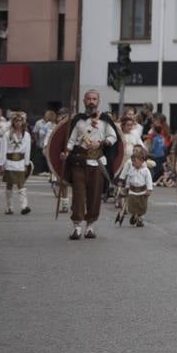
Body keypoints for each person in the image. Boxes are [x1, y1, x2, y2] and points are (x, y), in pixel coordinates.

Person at [59, 90, 120, 241]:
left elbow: (113, 137)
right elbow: (71, 141)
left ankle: (90, 226)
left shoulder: (105, 120)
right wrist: (66, 152)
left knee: (94, 195)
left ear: (98, 101)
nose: (91, 101)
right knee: (79, 194)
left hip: (97, 163)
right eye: (88, 99)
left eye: (94, 99)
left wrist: (101, 142)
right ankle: (77, 227)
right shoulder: (78, 120)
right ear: (84, 101)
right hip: (79, 161)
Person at [0, 111, 33, 215]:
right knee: (9, 185)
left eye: (20, 121)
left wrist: (26, 164)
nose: (18, 123)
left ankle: (24, 206)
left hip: (20, 163)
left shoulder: (27, 135)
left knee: (21, 184)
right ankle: (9, 207)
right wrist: (1, 164)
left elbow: (27, 150)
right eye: (16, 121)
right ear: (13, 122)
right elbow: (3, 149)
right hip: (9, 162)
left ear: (23, 122)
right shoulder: (7, 134)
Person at [121, 144, 153, 228]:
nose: (133, 164)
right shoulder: (132, 170)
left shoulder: (145, 171)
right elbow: (129, 179)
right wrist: (127, 187)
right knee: (132, 205)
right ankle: (134, 215)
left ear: (141, 161)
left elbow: (149, 180)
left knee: (141, 206)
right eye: (132, 162)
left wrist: (149, 189)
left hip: (142, 191)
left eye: (134, 162)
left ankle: (140, 219)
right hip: (132, 191)